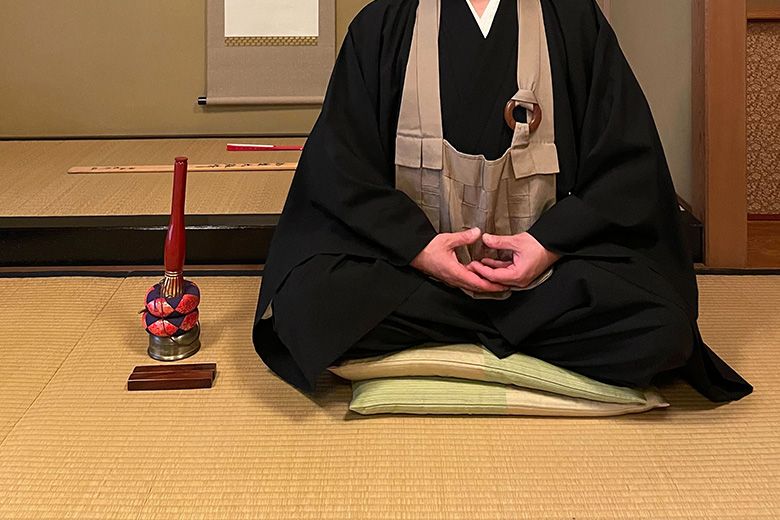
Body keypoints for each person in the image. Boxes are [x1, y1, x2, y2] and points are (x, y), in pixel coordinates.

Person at [252, 0, 753, 402]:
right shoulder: (383, 22)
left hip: (547, 275)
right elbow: (342, 169)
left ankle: (455, 333)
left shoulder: (574, 18)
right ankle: (517, 332)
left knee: (662, 327)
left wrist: (548, 246)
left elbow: (625, 168)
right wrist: (420, 249)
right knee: (305, 306)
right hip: (414, 271)